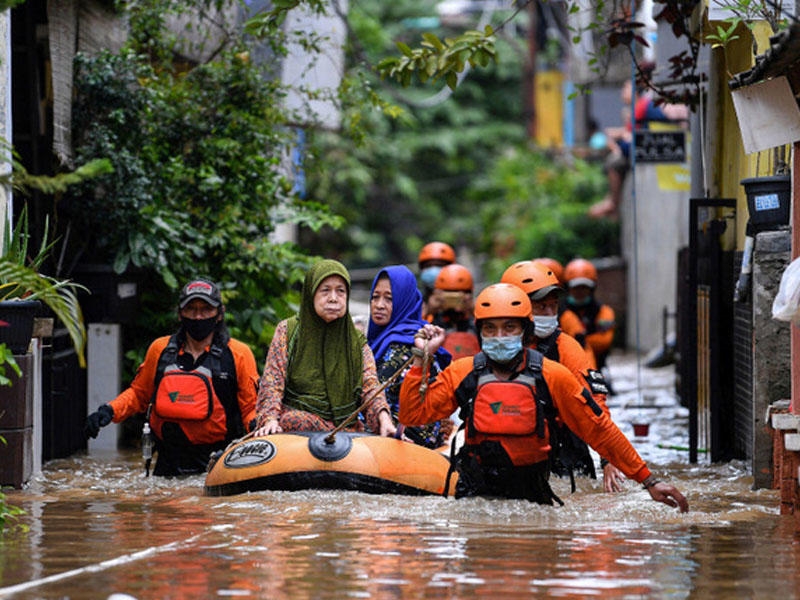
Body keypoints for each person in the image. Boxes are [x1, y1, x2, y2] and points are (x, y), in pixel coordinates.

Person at [398, 283, 689, 511]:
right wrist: (421, 360)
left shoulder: (553, 376)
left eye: (509, 327)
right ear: (481, 332)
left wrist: (648, 479)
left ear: (524, 331)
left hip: (533, 497)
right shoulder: (463, 372)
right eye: (491, 328)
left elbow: (598, 428)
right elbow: (413, 415)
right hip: (476, 497)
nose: (499, 335)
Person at [84, 278, 260, 476]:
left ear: (219, 314)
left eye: (206, 309)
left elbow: (249, 408)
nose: (198, 316)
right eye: (191, 309)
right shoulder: (160, 350)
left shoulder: (238, 354)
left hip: (218, 462)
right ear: (180, 313)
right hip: (167, 462)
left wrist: (259, 427)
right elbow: (139, 394)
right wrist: (108, 411)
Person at [501, 260, 626, 493]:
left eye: (553, 306)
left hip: (563, 450)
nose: (549, 314)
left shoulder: (567, 347)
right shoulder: (493, 347)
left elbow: (595, 404)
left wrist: (608, 458)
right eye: (540, 306)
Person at [253, 259, 395, 437]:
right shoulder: (288, 330)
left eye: (340, 291)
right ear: (311, 294)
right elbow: (273, 380)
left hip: (346, 428)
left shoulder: (356, 341)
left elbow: (370, 386)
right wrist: (270, 419)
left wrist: (384, 419)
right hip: (297, 423)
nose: (334, 298)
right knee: (294, 420)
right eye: (325, 290)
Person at [367, 265, 453, 448]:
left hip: (405, 443)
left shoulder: (407, 345)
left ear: (404, 302)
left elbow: (372, 396)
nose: (379, 305)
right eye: (375, 297)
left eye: (389, 299)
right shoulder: (377, 341)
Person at [588, 76, 689, 220]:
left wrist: (621, 139)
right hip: (644, 150)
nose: (622, 92)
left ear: (635, 91)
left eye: (626, 88)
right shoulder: (637, 108)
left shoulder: (644, 106)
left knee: (614, 162)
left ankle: (613, 203)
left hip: (654, 150)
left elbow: (657, 126)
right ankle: (612, 201)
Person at [559, 258, 616, 377]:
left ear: (591, 288)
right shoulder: (560, 311)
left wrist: (580, 341)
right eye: (576, 287)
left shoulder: (604, 311)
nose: (579, 291)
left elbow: (604, 341)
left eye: (584, 287)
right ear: (569, 288)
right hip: (565, 367)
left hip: (598, 365)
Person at [429, 263, 480, 360]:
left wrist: (473, 309)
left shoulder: (476, 322)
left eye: (458, 295)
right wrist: (430, 310)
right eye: (449, 295)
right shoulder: (432, 322)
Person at [417, 241, 456, 319]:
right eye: (428, 266)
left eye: (439, 265)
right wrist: (428, 312)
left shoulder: (460, 293)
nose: (433, 270)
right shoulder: (415, 300)